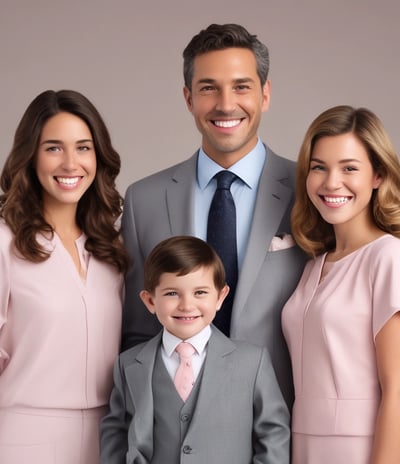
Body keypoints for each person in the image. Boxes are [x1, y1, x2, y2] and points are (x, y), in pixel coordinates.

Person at [121, 23, 306, 407]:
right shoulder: (144, 200)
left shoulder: (310, 192)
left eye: (241, 86)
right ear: (188, 98)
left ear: (265, 94)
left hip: (280, 423)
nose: (225, 104)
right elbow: (137, 334)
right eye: (208, 88)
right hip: (175, 428)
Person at [0, 89, 129, 464]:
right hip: (24, 438)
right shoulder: (5, 241)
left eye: (83, 148)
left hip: (107, 439)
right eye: (53, 148)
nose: (71, 163)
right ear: (31, 156)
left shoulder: (109, 249)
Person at [100, 235, 290, 464]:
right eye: (172, 293)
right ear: (150, 301)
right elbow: (116, 435)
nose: (187, 305)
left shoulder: (253, 362)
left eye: (200, 292)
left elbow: (273, 434)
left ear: (220, 297)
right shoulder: (128, 364)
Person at [281, 105, 400, 463]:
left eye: (349, 168)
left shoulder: (389, 257)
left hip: (359, 447)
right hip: (302, 443)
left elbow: (397, 387)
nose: (332, 182)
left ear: (377, 175)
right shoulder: (313, 266)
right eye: (319, 167)